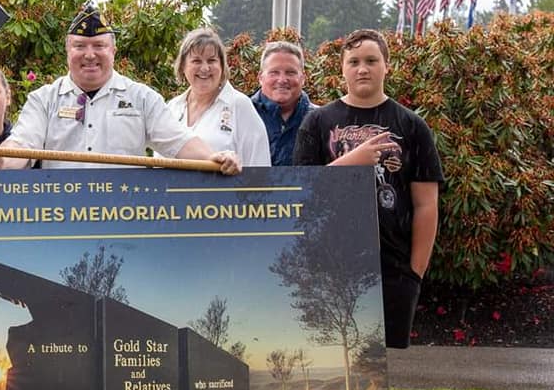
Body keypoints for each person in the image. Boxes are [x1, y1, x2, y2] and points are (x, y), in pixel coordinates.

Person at [293, 29, 443, 349]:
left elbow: (426, 204)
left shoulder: (412, 126)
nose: (363, 68)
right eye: (355, 61)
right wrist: (353, 161)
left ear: (386, 65)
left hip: (392, 269)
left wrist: (415, 271)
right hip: (328, 266)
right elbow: (302, 193)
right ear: (342, 68)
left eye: (372, 60)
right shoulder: (317, 122)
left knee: (390, 375)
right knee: (335, 363)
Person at [0, 3, 240, 175]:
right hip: (61, 220)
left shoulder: (142, 98)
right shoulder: (43, 100)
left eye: (99, 46)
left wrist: (215, 157)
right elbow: (22, 144)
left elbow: (179, 143)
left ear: (113, 51)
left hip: (123, 223)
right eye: (80, 47)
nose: (90, 55)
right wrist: (1, 162)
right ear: (68, 51)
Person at [166, 28, 270, 166]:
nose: (204, 68)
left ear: (222, 66)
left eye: (211, 60)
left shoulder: (239, 105)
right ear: (183, 66)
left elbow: (259, 168)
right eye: (196, 61)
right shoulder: (172, 108)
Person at [251, 41, 318, 166]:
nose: (282, 80)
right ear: (260, 77)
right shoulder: (242, 115)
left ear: (303, 78)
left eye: (290, 73)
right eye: (274, 72)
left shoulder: (319, 120)